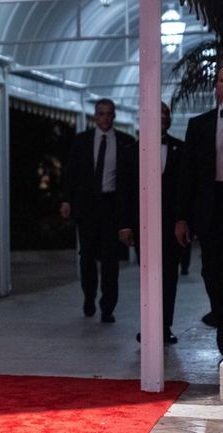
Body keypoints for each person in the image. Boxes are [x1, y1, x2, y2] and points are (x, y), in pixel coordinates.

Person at [60, 98, 136, 323]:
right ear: (95, 116)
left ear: (114, 116)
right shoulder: (82, 141)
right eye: (101, 113)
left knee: (111, 259)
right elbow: (71, 173)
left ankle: (108, 306)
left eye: (109, 113)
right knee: (87, 257)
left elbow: (130, 181)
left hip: (112, 205)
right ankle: (89, 296)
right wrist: (66, 200)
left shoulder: (125, 142)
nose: (105, 118)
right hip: (88, 206)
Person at [119, 102, 183, 344]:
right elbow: (125, 191)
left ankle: (165, 327)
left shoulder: (180, 148)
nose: (163, 117)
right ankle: (149, 326)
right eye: (158, 112)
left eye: (166, 113)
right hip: (143, 225)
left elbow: (185, 190)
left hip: (172, 226)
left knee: (170, 277)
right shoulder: (131, 151)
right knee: (147, 277)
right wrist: (125, 225)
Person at [176, 66, 223, 354]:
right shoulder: (199, 125)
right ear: (215, 86)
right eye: (221, 80)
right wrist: (182, 217)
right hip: (211, 206)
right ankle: (220, 311)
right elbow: (187, 176)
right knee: (211, 269)